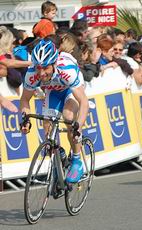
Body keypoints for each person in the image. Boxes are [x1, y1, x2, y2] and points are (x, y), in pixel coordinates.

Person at [20, 39, 89, 183]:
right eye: (38, 67)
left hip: (71, 90)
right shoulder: (32, 74)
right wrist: (24, 119)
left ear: (54, 64)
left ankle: (77, 161)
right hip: (53, 91)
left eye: (45, 68)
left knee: (68, 116)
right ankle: (57, 156)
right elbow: (25, 99)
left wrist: (79, 125)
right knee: (47, 124)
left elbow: (83, 102)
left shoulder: (66, 70)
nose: (41, 72)